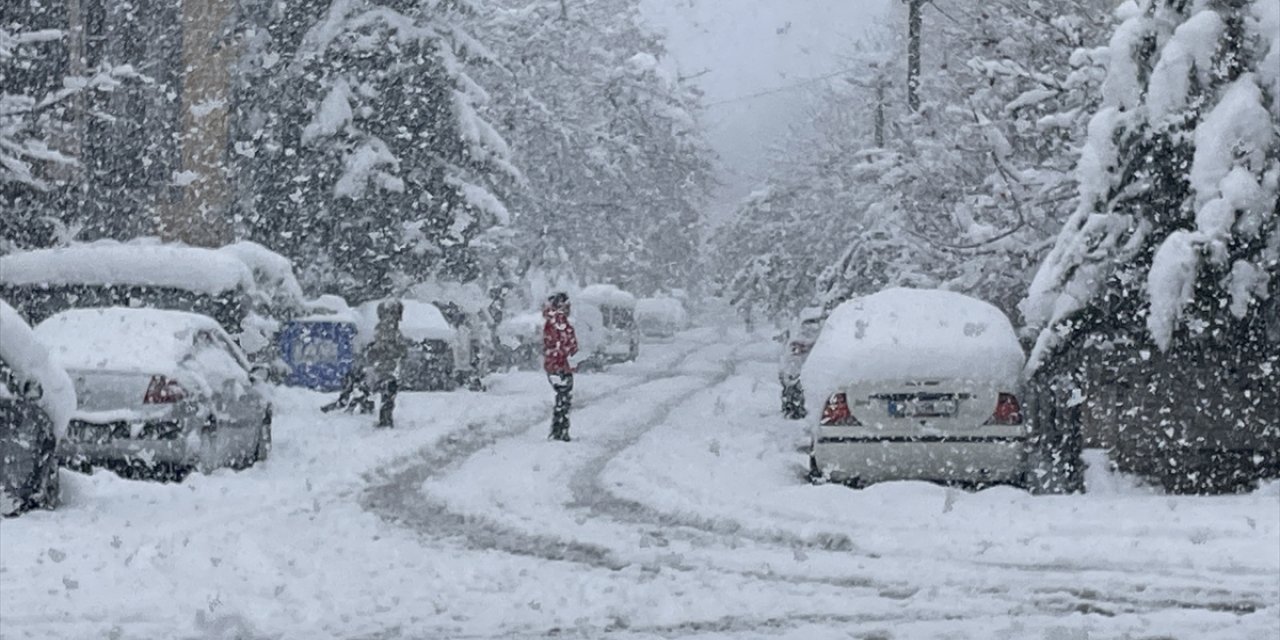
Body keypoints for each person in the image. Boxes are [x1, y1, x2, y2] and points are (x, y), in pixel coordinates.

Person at [542, 292, 578, 441]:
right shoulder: (558, 322)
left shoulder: (554, 321)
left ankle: (559, 429)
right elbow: (562, 343)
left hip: (556, 364)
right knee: (564, 397)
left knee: (562, 398)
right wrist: (568, 353)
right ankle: (560, 430)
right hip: (559, 365)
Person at [365, 299, 407, 428]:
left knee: (386, 395)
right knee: (388, 395)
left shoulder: (383, 329)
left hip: (385, 368)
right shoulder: (389, 330)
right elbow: (395, 348)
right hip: (387, 369)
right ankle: (386, 420)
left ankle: (385, 419)